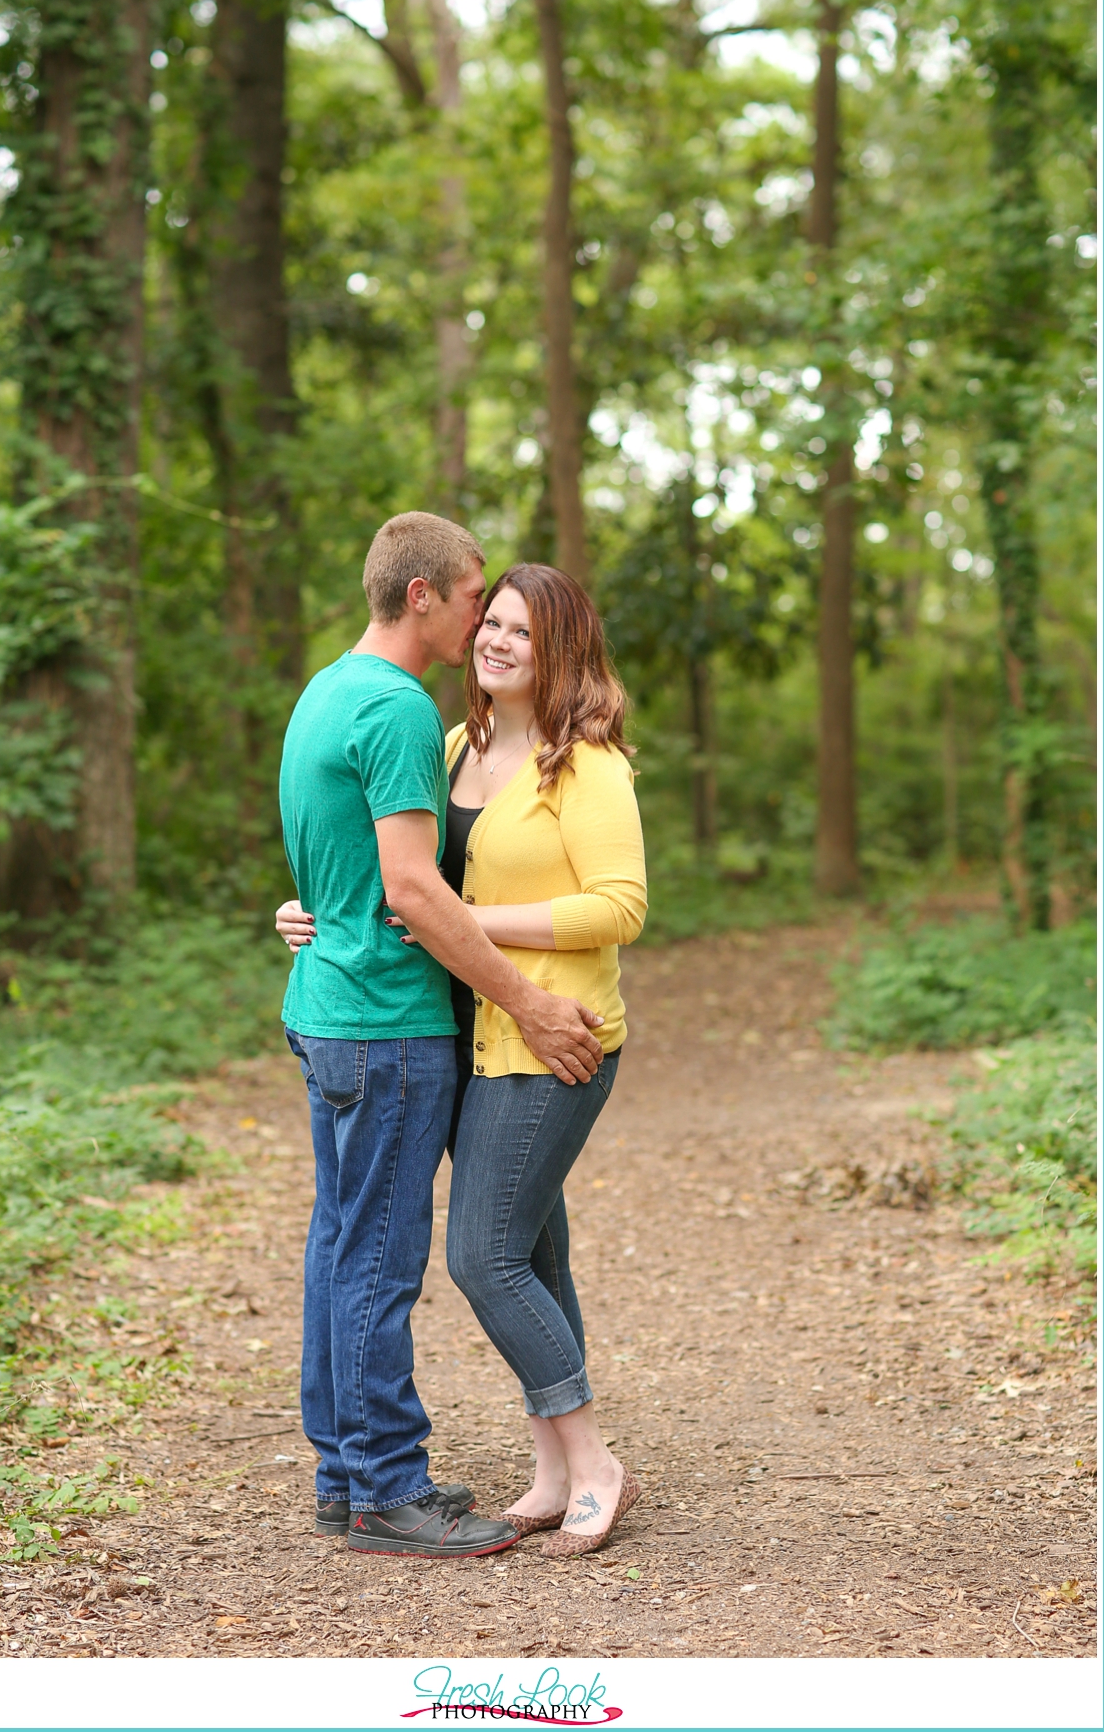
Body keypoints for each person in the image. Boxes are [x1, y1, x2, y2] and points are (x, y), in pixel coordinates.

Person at [277, 513, 604, 1560]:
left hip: (327, 1007)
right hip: (386, 1021)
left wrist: (313, 910)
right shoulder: (406, 713)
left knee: (341, 1244)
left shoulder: (327, 690)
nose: (480, 616)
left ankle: (344, 1473)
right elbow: (412, 887)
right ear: (422, 595)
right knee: (379, 1255)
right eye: (473, 597)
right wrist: (534, 1001)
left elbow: (351, 871)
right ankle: (384, 1488)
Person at [431, 564, 648, 1557]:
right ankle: (555, 1469)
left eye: (521, 627)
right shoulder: (453, 750)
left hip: (557, 1036)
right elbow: (411, 883)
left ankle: (595, 1459)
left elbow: (621, 904)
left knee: (481, 1254)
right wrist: (313, 913)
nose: (498, 639)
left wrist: (480, 923)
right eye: (492, 622)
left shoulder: (585, 762)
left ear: (558, 649)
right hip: (478, 1042)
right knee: (534, 1253)